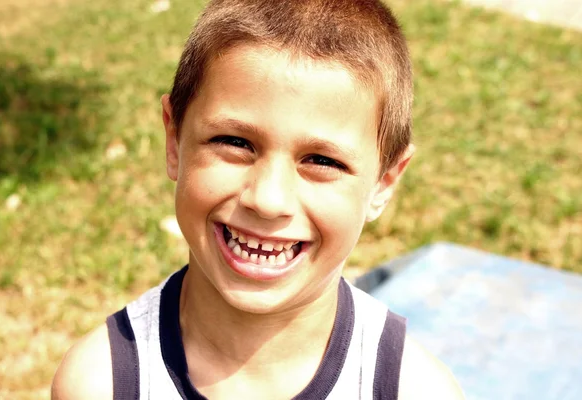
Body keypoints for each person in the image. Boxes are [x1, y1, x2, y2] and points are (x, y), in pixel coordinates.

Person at [52, 0, 464, 398]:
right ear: (175, 140)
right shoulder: (101, 384)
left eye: (321, 160)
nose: (267, 199)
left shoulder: (411, 390)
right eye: (234, 142)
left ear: (384, 182)